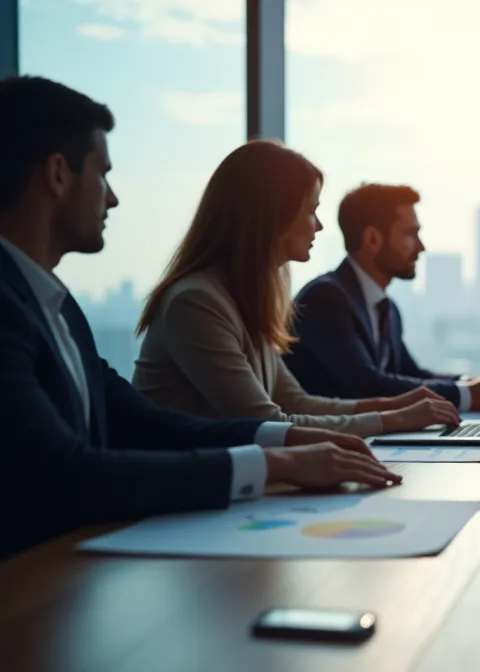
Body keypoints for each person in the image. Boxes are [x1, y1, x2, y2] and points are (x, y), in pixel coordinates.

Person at [0, 76, 401, 557]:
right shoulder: (15, 309)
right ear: (58, 174)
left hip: (76, 562)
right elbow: (66, 473)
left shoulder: (58, 307)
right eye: (103, 174)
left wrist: (290, 441)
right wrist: (275, 462)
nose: (113, 197)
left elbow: (149, 425)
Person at [133, 142, 460, 438]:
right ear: (274, 216)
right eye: (311, 210)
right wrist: (393, 418)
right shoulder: (196, 302)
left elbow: (296, 402)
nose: (319, 225)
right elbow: (267, 422)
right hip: (187, 484)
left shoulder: (247, 300)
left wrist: (395, 407)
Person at [284, 183, 480, 409]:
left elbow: (410, 374)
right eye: (410, 233)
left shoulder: (387, 308)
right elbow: (366, 384)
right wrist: (467, 395)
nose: (421, 247)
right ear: (373, 239)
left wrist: (470, 383)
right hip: (330, 440)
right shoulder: (325, 299)